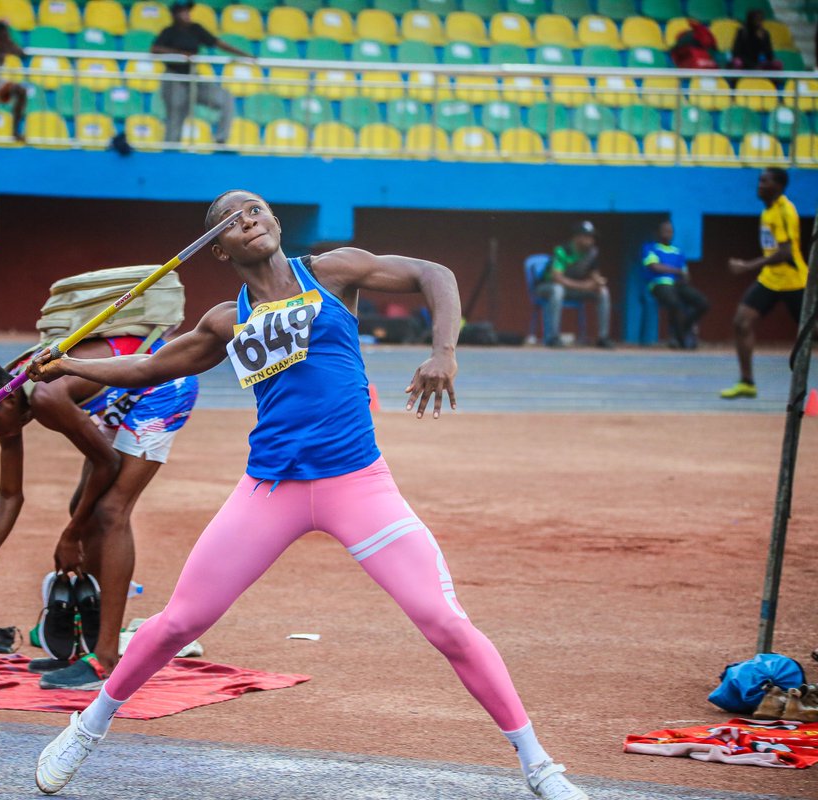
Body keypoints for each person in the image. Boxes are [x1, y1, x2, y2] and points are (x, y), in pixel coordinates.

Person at [29, 190, 589, 800]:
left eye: (257, 210)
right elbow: (149, 369)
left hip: (357, 485)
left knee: (445, 624)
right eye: (232, 221)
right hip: (270, 489)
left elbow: (435, 273)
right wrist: (65, 366)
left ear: (272, 221)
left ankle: (538, 765)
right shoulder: (226, 319)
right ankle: (89, 728)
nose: (250, 220)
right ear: (218, 249)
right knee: (177, 622)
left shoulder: (331, 272)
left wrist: (443, 353)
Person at [0, 337, 199, 690]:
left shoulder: (44, 397)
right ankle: (90, 646)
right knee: (83, 508)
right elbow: (8, 495)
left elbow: (107, 463)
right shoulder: (5, 398)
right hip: (121, 392)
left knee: (109, 512)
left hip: (162, 381)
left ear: (8, 399)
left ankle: (105, 660)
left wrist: (70, 535)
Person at [721, 168, 809, 399]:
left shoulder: (785, 211)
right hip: (771, 278)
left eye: (765, 181)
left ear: (778, 186)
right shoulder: (767, 212)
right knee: (741, 322)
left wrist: (747, 266)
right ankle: (747, 382)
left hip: (793, 280)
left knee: (813, 332)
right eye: (759, 180)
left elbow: (786, 253)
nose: (759, 185)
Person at [151, 1, 254, 145]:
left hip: (193, 76)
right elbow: (155, 49)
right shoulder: (169, 31)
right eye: (182, 11)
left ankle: (221, 138)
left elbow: (219, 43)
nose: (186, 14)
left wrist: (245, 55)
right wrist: (180, 54)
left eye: (187, 11)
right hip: (174, 77)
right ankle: (171, 150)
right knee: (176, 116)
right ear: (174, 15)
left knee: (225, 98)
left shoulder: (196, 29)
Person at [536, 221, 613, 348]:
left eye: (592, 237)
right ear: (577, 237)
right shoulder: (563, 250)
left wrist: (598, 282)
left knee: (603, 292)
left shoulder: (591, 253)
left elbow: (595, 275)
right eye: (587, 237)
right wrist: (584, 286)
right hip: (546, 287)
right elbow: (557, 278)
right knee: (557, 290)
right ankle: (553, 337)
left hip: (571, 289)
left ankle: (603, 337)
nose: (590, 240)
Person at [642, 220, 709, 350]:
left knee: (702, 303)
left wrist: (683, 277)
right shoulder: (650, 248)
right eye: (664, 231)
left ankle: (684, 328)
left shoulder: (678, 252)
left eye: (670, 231)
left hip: (677, 285)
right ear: (658, 233)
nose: (667, 234)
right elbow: (654, 267)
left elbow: (685, 274)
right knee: (675, 302)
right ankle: (681, 340)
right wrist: (676, 271)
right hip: (658, 285)